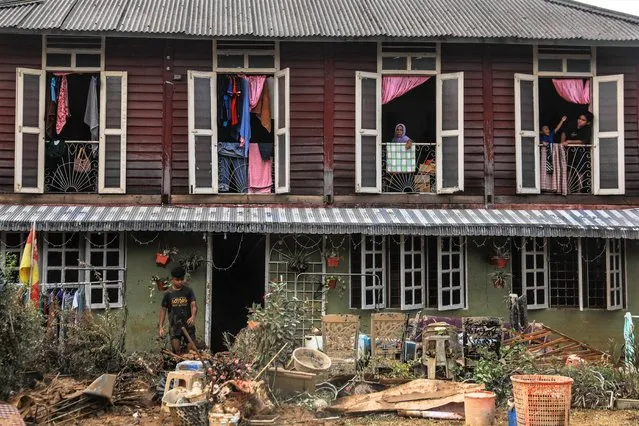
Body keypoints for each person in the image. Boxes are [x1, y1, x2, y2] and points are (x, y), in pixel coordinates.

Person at [159, 266, 197, 354]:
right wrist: (161, 327)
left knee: (192, 352)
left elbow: (194, 305)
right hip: (174, 326)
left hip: (188, 325)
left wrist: (193, 317)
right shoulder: (168, 293)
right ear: (172, 279)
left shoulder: (188, 291)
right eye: (177, 280)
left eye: (182, 279)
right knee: (177, 352)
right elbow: (163, 310)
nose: (180, 282)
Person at [540, 116, 568, 195]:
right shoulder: (541, 137)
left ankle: (554, 186)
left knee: (555, 169)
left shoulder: (551, 135)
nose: (548, 130)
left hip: (554, 154)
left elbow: (557, 128)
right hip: (546, 155)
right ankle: (546, 186)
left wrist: (562, 121)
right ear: (542, 131)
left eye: (548, 128)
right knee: (546, 170)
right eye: (545, 129)